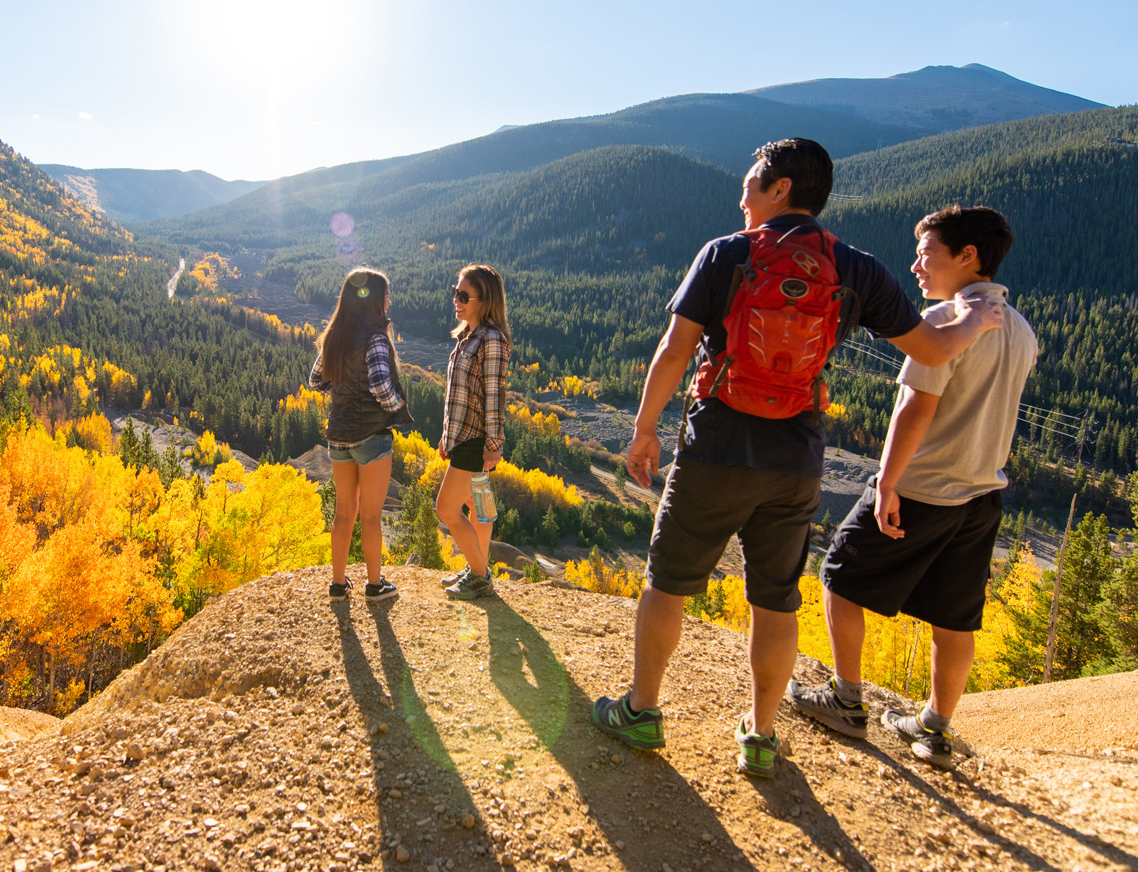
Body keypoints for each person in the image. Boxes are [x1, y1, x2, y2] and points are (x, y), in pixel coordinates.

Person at [591, 138, 1004, 778]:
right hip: (797, 458)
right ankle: (759, 735)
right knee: (776, 599)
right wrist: (974, 322)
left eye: (752, 182)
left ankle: (643, 711)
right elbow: (932, 347)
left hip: (716, 448)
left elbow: (676, 349)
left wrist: (645, 430)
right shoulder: (856, 268)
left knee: (667, 581)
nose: (743, 195)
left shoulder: (727, 253)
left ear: (780, 189)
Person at [789, 206, 1038, 768]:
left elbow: (914, 410)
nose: (916, 265)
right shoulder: (1020, 329)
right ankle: (936, 729)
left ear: (967, 256)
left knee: (839, 574)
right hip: (982, 494)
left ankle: (846, 700)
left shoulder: (946, 323)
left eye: (926, 253)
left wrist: (887, 483)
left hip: (925, 487)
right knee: (955, 616)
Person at [308, 267, 414, 602]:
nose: (389, 302)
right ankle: (374, 585)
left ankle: (338, 584)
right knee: (370, 516)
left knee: (343, 513)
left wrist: (339, 385)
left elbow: (315, 381)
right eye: (388, 297)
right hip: (371, 436)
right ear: (378, 302)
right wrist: (397, 404)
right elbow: (381, 386)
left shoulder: (335, 336)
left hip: (338, 435)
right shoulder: (376, 337)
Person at [435, 264, 511, 601]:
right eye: (456, 293)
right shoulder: (467, 336)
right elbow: (459, 394)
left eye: (464, 295)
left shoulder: (491, 339)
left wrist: (493, 445)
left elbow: (493, 394)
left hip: (477, 441)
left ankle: (480, 576)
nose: (457, 300)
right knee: (479, 507)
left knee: (446, 510)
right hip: (462, 437)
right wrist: (446, 436)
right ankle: (476, 566)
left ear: (484, 300)